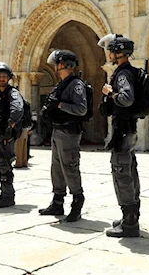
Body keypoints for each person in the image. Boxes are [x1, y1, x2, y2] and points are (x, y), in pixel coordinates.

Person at [98, 34, 142, 238]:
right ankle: (130, 216)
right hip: (128, 128)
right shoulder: (129, 72)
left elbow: (126, 98)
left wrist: (110, 93)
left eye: (111, 50)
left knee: (122, 171)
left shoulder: (123, 74)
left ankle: (130, 222)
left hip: (123, 130)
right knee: (130, 169)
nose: (108, 54)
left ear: (117, 52)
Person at [38, 50, 88, 222]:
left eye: (57, 64)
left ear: (65, 65)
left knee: (70, 167)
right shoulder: (62, 84)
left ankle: (77, 202)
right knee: (57, 168)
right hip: (58, 130)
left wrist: (60, 105)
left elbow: (81, 109)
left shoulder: (75, 85)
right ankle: (58, 202)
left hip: (69, 132)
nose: (56, 67)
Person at [0, 62, 24, 208]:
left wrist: (10, 126)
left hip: (6, 134)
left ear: (8, 78)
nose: (1, 79)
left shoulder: (12, 93)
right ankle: (3, 193)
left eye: (4, 76)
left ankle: (9, 196)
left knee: (5, 162)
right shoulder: (0, 95)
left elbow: (17, 109)